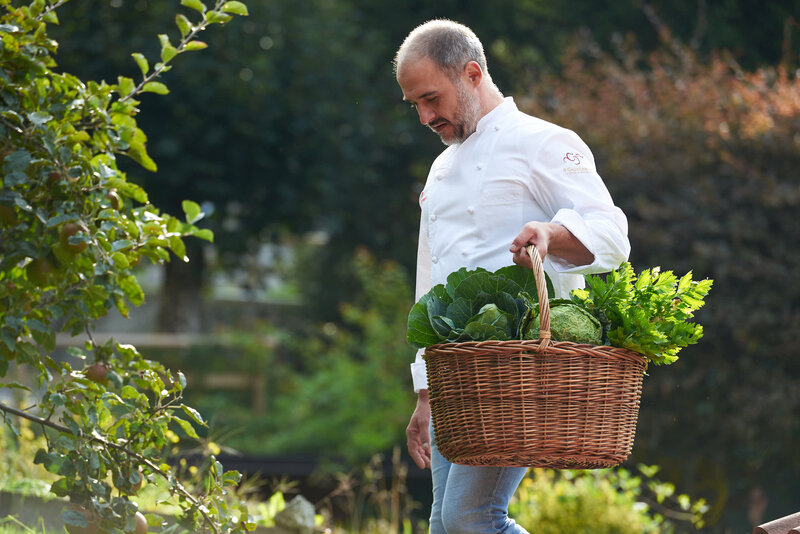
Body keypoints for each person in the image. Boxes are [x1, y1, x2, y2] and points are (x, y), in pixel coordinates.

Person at [394, 19, 631, 534]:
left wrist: (551, 233)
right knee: (444, 526)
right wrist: (425, 392)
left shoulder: (545, 143)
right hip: (457, 373)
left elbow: (612, 234)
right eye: (415, 104)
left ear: (472, 73)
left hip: (517, 370)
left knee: (471, 520)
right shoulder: (440, 170)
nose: (425, 116)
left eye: (431, 99)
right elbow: (431, 284)